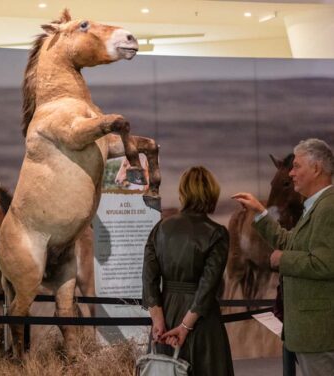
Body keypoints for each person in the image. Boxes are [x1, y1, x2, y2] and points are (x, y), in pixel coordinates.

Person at [233, 138, 334, 376]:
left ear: (316, 168)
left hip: (318, 335)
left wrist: (282, 260)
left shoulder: (328, 209)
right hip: (310, 334)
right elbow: (292, 243)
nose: (292, 173)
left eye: (297, 166)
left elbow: (325, 264)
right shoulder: (318, 206)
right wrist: (260, 213)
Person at [142, 166, 234, 376]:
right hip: (201, 322)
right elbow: (207, 288)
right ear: (212, 193)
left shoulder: (160, 229)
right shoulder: (217, 234)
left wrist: (158, 321)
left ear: (184, 192)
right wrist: (185, 326)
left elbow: (149, 279)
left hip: (167, 316)